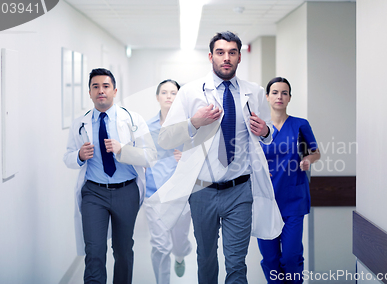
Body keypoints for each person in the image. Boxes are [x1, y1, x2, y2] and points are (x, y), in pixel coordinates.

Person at [146, 31, 284, 284]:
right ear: (211, 56)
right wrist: (194, 123)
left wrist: (265, 131)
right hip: (202, 191)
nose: (226, 58)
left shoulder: (254, 92)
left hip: (240, 191)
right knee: (206, 259)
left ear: (239, 57)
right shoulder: (189, 93)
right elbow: (165, 138)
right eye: (220, 53)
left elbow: (269, 133)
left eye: (232, 52)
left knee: (236, 263)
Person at [63, 68, 156, 284]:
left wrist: (123, 150)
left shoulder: (133, 120)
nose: (100, 91)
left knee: (123, 251)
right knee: (94, 251)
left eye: (105, 86)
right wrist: (78, 155)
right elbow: (67, 157)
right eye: (95, 87)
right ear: (89, 93)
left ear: (115, 90)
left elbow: (151, 156)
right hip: (93, 193)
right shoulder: (80, 124)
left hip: (126, 192)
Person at [257, 77, 320, 284]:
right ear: (267, 97)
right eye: (275, 92)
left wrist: (308, 160)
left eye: (284, 93)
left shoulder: (300, 124)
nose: (279, 97)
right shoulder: (258, 126)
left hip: (293, 198)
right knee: (270, 259)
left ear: (290, 98)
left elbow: (315, 152)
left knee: (291, 257)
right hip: (266, 200)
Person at [144, 79, 192, 284]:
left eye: (173, 93)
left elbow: (203, 154)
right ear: (157, 97)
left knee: (178, 243)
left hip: (181, 192)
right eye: (164, 92)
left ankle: (180, 255)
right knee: (160, 246)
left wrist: (187, 156)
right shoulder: (147, 127)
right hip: (154, 193)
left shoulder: (190, 125)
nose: (169, 96)